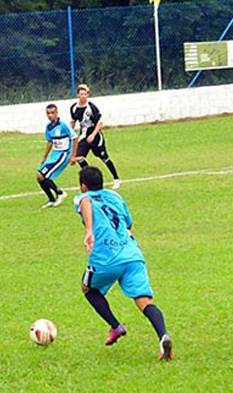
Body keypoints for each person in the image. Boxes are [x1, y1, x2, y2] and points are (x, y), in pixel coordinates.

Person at [74, 166, 173, 361]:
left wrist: (89, 230)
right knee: (145, 301)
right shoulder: (115, 196)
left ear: (83, 186)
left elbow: (85, 202)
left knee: (87, 289)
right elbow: (128, 224)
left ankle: (116, 326)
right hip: (132, 254)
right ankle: (163, 336)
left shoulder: (82, 197)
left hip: (106, 258)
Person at [70, 84, 121, 189]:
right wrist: (70, 132)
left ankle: (116, 178)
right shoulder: (74, 108)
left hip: (96, 136)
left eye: (85, 94)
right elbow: (73, 121)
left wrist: (93, 135)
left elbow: (100, 123)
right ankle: (91, 177)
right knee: (78, 158)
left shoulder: (91, 107)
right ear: (78, 95)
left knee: (104, 158)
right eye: (81, 94)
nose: (83, 96)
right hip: (84, 135)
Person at [37, 103, 78, 208]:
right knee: (40, 177)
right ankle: (52, 198)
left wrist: (73, 156)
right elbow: (50, 141)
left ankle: (59, 193)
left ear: (57, 113)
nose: (50, 115)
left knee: (42, 175)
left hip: (63, 154)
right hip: (54, 154)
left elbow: (75, 138)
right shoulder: (48, 127)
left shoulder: (63, 125)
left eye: (52, 113)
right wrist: (45, 157)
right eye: (48, 113)